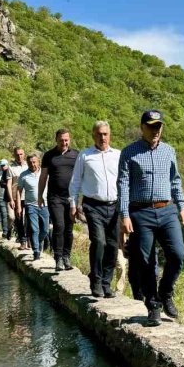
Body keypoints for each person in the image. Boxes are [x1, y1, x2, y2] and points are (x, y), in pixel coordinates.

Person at [117, 110, 184, 327]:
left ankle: (166, 292)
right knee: (145, 260)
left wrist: (182, 207)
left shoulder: (169, 151)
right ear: (142, 127)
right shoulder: (129, 153)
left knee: (177, 253)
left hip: (167, 210)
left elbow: (175, 180)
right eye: (151, 126)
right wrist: (124, 215)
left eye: (158, 126)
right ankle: (153, 304)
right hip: (140, 213)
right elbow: (123, 185)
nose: (155, 130)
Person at [70, 121, 120, 298]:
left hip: (114, 206)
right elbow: (75, 181)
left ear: (110, 135)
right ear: (93, 135)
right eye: (99, 134)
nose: (102, 137)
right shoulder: (85, 155)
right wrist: (73, 204)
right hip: (93, 205)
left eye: (105, 134)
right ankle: (96, 280)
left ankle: (106, 284)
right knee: (99, 242)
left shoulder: (118, 155)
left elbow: (124, 181)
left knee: (113, 246)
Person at [39, 129, 79, 272]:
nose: (64, 142)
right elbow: (43, 177)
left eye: (66, 140)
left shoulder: (76, 155)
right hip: (54, 197)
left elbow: (82, 177)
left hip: (71, 198)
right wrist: (39, 196)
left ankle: (67, 257)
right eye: (61, 140)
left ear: (70, 139)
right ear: (56, 139)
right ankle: (58, 258)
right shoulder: (49, 156)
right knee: (59, 226)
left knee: (69, 229)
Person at [17, 153, 50, 261]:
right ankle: (36, 251)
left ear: (39, 162)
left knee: (45, 230)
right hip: (30, 205)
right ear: (27, 163)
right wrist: (18, 206)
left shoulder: (45, 173)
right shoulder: (23, 175)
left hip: (45, 205)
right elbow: (19, 191)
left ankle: (39, 241)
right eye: (30, 162)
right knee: (34, 229)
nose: (32, 164)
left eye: (34, 162)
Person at [9, 147, 29, 250]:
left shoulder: (29, 165)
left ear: (24, 154)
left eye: (21, 154)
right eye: (17, 154)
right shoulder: (11, 168)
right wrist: (11, 199)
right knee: (19, 219)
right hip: (17, 197)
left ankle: (29, 240)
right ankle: (23, 241)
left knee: (30, 219)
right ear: (14, 155)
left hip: (29, 196)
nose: (19, 156)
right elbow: (9, 184)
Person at [0, 159, 14, 238]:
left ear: (7, 164)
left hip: (12, 197)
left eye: (4, 165)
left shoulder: (12, 172)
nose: (3, 167)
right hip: (1, 198)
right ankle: (5, 231)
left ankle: (11, 230)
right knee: (4, 215)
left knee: (12, 216)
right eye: (1, 166)